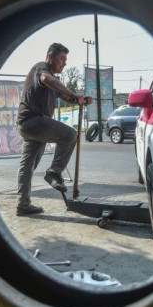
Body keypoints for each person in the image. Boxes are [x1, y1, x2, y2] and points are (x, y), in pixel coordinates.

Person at [15, 43, 92, 216]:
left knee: (28, 165)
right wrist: (74, 95)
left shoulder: (53, 81)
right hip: (34, 121)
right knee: (70, 135)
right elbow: (46, 79)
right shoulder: (42, 69)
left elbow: (64, 95)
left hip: (29, 125)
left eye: (66, 60)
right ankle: (54, 173)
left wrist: (79, 100)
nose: (64, 63)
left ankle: (23, 204)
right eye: (62, 59)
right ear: (50, 57)